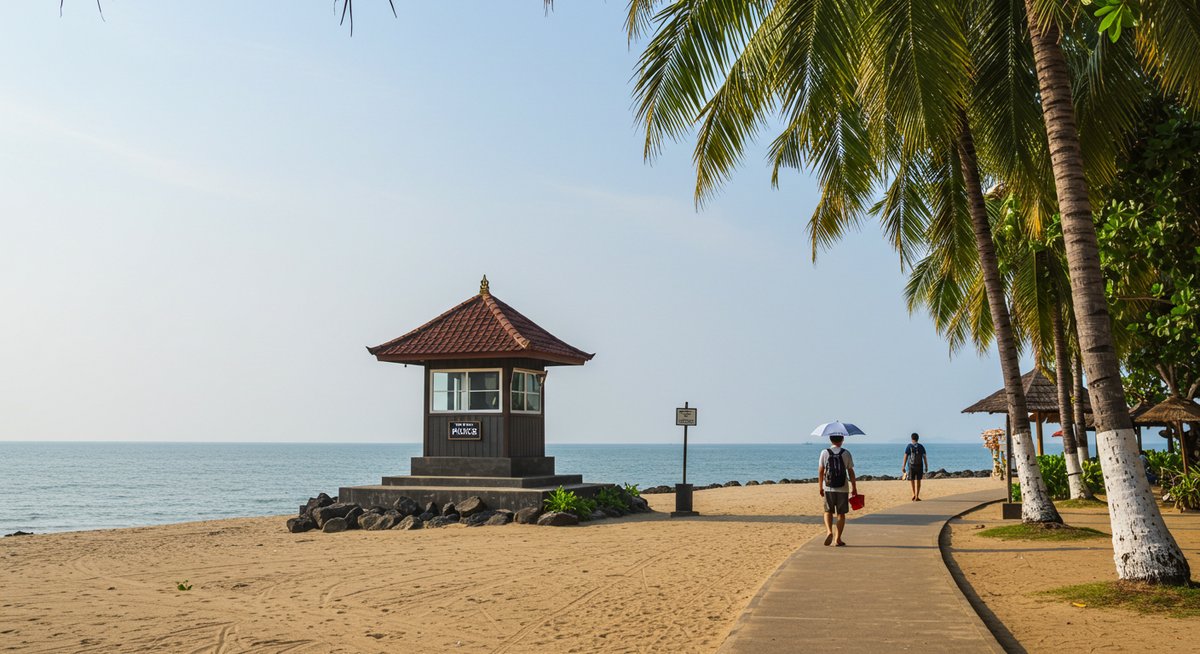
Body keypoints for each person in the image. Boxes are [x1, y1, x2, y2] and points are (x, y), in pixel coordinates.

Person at [818, 434, 857, 547]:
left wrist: (820, 487)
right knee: (841, 514)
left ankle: (829, 531)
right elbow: (850, 471)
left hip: (828, 487)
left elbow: (821, 471)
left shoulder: (824, 452)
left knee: (828, 511)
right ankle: (838, 539)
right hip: (843, 488)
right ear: (842, 439)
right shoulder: (846, 453)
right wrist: (854, 487)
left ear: (830, 439)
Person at [902, 433, 928, 501]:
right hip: (919, 466)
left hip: (911, 466)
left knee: (912, 480)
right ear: (918, 439)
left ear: (911, 438)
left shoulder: (909, 446)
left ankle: (914, 494)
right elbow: (924, 457)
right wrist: (926, 466)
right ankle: (917, 496)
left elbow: (905, 456)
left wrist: (903, 466)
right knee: (918, 481)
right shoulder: (921, 446)